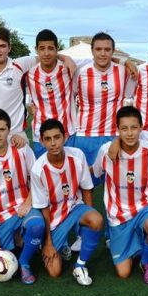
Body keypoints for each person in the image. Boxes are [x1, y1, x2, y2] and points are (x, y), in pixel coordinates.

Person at [92, 106, 148, 285]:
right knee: (123, 273)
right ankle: (135, 242)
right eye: (124, 128)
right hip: (118, 214)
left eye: (134, 128)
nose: (130, 133)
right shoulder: (106, 151)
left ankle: (147, 262)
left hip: (144, 206)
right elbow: (96, 173)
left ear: (141, 127)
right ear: (117, 130)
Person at [0, 109, 45, 285]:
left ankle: (25, 262)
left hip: (22, 206)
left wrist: (28, 202)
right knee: (2, 257)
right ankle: (18, 242)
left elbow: (37, 180)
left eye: (2, 129)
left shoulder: (22, 150)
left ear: (9, 130)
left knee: (37, 226)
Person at [31, 119, 104, 286]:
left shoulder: (77, 156)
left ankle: (80, 265)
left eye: (57, 137)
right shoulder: (37, 169)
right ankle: (59, 244)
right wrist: (48, 242)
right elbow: (43, 208)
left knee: (96, 219)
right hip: (54, 218)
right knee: (54, 272)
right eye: (48, 139)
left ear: (65, 137)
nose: (53, 143)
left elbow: (86, 188)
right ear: (41, 141)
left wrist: (86, 222)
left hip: (74, 207)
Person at [73, 32, 136, 174]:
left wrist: (124, 61)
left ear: (113, 52)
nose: (103, 54)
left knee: (116, 181)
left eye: (107, 50)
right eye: (98, 49)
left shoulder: (124, 71)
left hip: (113, 135)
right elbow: (69, 97)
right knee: (86, 182)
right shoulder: (81, 72)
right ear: (92, 51)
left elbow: (129, 98)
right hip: (86, 135)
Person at [25, 29, 76, 158]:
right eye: (42, 48)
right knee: (44, 174)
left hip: (67, 134)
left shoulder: (67, 67)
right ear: (36, 49)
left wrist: (123, 62)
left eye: (50, 48)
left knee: (69, 175)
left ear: (57, 49)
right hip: (40, 136)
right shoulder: (28, 72)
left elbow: (98, 59)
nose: (46, 53)